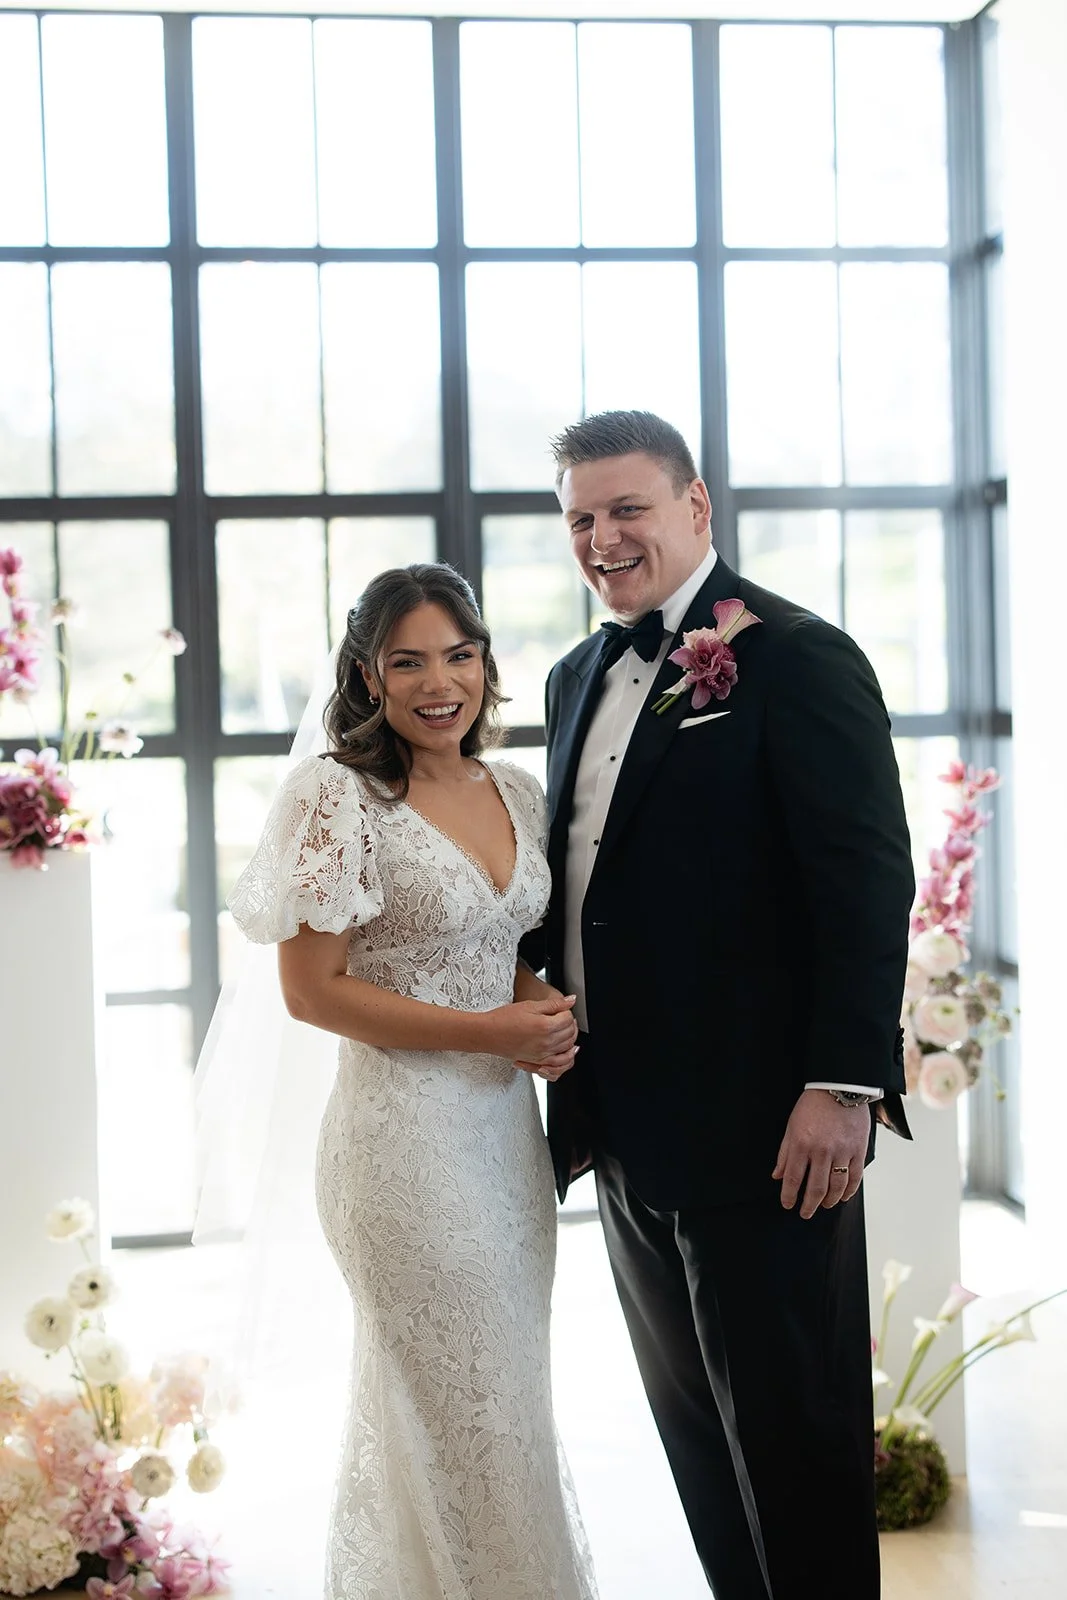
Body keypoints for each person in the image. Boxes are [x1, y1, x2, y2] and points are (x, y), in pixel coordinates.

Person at [536, 410, 914, 1600]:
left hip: (767, 1137)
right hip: (626, 1137)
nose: (603, 537)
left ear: (696, 506)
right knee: (703, 1457)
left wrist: (840, 1086)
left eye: (627, 508)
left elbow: (861, 878)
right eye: (581, 518)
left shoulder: (795, 658)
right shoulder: (571, 676)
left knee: (797, 1463)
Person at [223, 563, 597, 1600]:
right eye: (408, 660)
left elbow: (491, 941)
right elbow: (315, 990)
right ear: (366, 674)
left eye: (460, 654)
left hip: (502, 1148)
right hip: (401, 1146)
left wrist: (538, 1012)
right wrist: (489, 1029)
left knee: (506, 1402)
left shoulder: (511, 787)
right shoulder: (336, 798)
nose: (441, 682)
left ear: (485, 662)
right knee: (458, 1405)